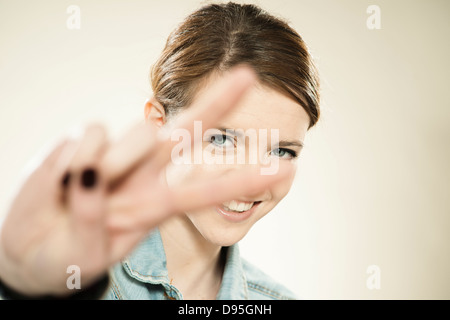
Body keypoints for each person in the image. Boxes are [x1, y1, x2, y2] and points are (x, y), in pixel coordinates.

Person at [0, 2, 320, 300]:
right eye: (221, 140)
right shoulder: (67, 275)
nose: (253, 181)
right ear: (158, 122)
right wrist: (21, 287)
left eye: (282, 152)